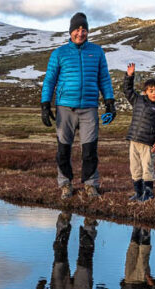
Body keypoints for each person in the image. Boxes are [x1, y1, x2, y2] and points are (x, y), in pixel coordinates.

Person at [41, 12, 116, 199]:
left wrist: (110, 102)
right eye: (77, 29)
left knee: (90, 150)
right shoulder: (59, 53)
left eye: (84, 30)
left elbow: (104, 78)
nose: (80, 33)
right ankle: (65, 184)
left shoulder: (97, 52)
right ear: (70, 31)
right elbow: (49, 80)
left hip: (89, 107)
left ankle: (91, 184)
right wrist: (45, 104)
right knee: (63, 149)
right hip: (65, 108)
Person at [123, 63, 155, 201]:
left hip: (149, 143)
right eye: (151, 90)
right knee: (134, 167)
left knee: (147, 168)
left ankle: (148, 193)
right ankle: (138, 192)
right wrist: (129, 76)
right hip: (134, 140)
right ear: (145, 92)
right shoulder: (137, 100)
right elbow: (127, 90)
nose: (154, 93)